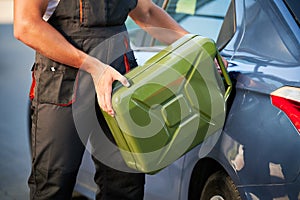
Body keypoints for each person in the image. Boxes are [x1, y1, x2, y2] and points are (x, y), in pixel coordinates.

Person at [14, 0, 189, 199]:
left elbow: (147, 12)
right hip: (64, 84)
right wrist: (94, 67)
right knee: (53, 185)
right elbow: (26, 26)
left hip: (118, 82)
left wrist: (196, 46)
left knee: (125, 184)